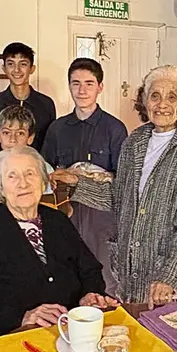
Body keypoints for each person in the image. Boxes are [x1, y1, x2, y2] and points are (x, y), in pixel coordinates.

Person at [71, 65, 177, 308]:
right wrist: (77, 184)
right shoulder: (134, 142)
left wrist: (170, 276)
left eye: (172, 97)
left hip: (169, 277)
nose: (162, 104)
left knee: (171, 340)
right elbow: (119, 198)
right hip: (131, 268)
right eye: (155, 95)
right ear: (144, 100)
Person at [0, 146, 118, 337]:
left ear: (43, 182)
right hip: (15, 335)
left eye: (30, 173)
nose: (23, 184)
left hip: (71, 329)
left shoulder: (57, 219)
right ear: (1, 188)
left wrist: (89, 295)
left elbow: (89, 269)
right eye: (12, 176)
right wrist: (23, 317)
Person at [44, 58, 129, 297]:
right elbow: (46, 169)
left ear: (100, 87)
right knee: (66, 270)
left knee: (104, 278)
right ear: (69, 86)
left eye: (89, 83)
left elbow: (123, 180)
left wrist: (85, 179)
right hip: (65, 211)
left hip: (101, 216)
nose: (82, 90)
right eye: (76, 83)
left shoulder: (115, 129)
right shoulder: (57, 128)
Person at [0, 42, 57, 157]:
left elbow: (49, 145)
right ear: (4, 68)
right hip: (2, 170)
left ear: (32, 68)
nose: (17, 70)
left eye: (23, 64)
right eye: (11, 64)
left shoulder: (46, 104)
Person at [0, 105, 54, 200]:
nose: (12, 139)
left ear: (30, 138)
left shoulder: (45, 169)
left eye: (20, 133)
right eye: (6, 133)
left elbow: (49, 206)